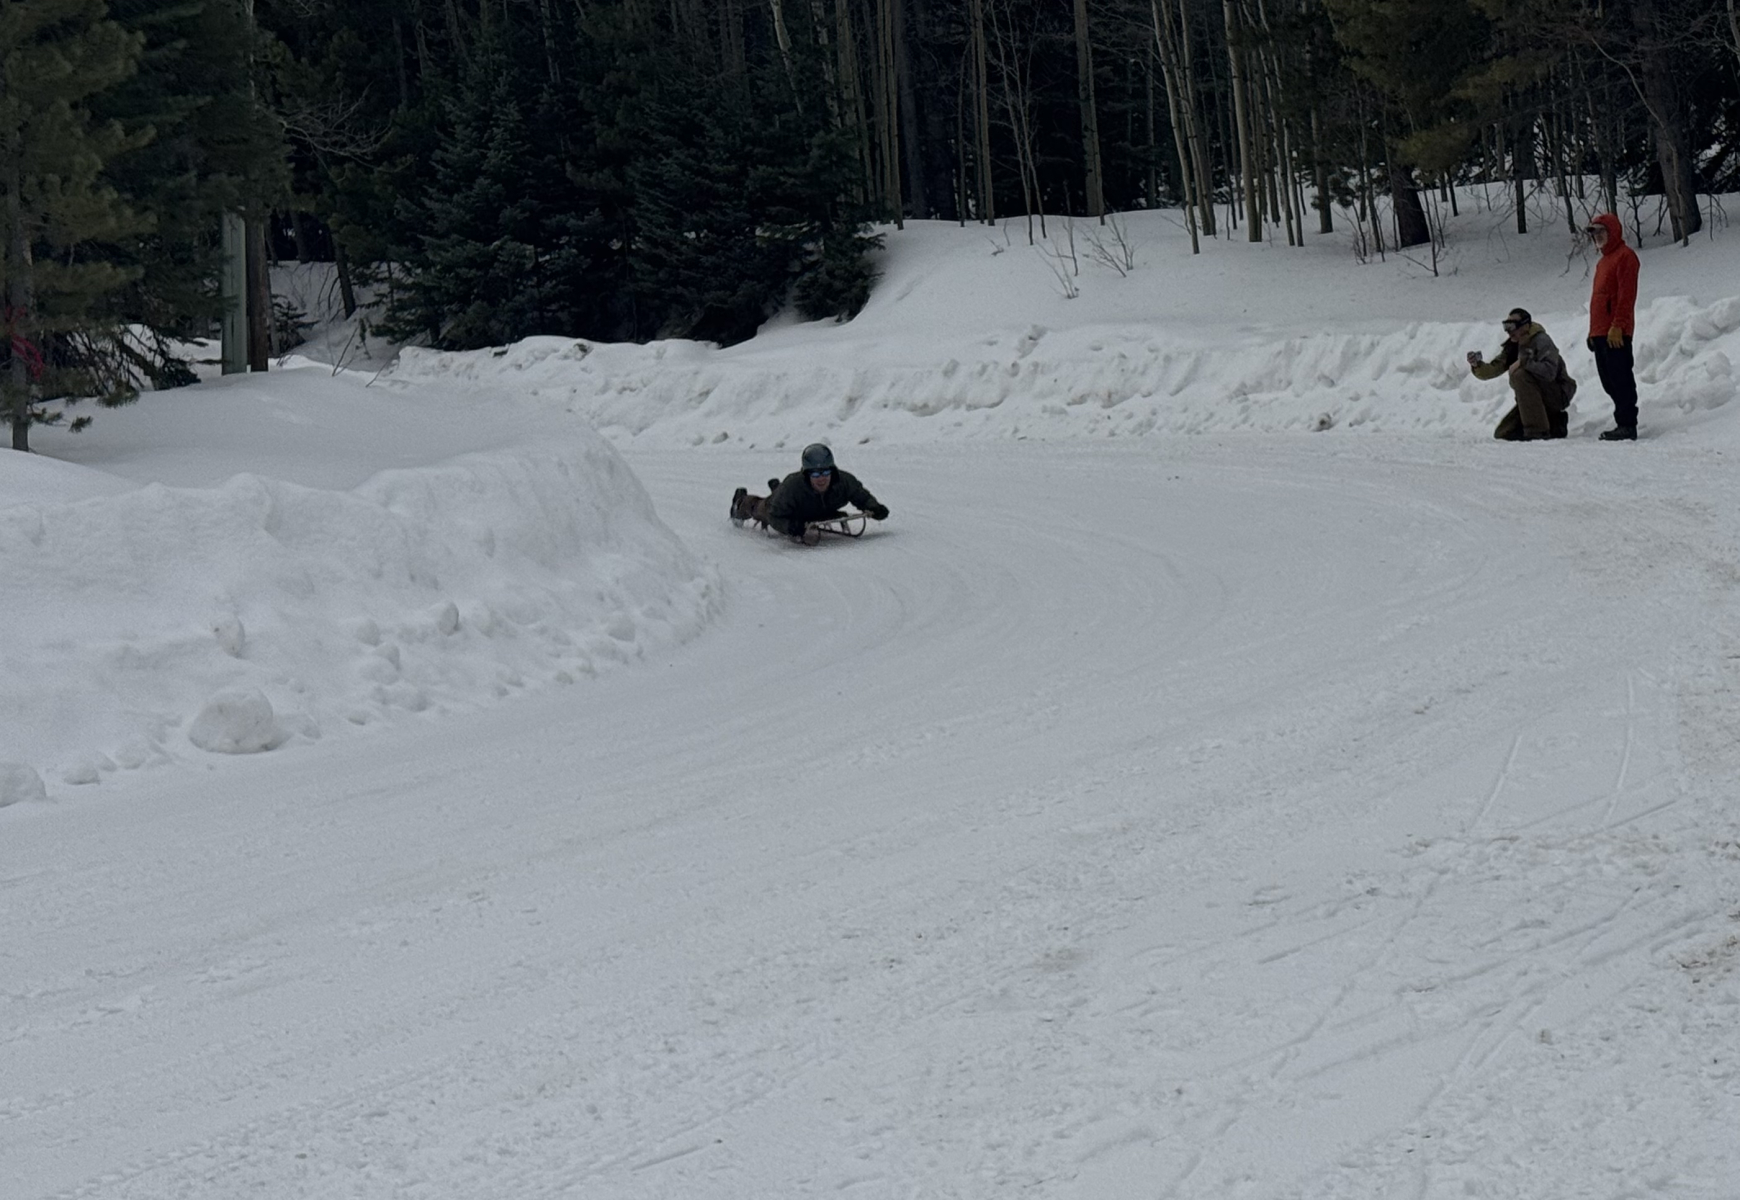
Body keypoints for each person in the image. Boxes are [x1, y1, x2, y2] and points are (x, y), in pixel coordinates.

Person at [1466, 308, 1575, 441]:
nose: (1508, 331)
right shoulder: (1514, 345)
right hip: (1532, 400)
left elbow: (1549, 373)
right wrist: (1477, 365)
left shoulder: (1542, 340)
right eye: (1506, 326)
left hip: (1557, 394)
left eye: (1512, 326)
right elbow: (1493, 369)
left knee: (1520, 375)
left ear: (1525, 325)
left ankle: (1538, 432)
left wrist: (1524, 362)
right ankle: (1553, 424)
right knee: (1503, 434)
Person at [1585, 212, 1640, 441]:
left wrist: (1618, 325)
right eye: (1593, 232)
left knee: (1620, 378)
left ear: (1613, 232)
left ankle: (1627, 424)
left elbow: (1627, 296)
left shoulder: (1625, 256)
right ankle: (1622, 420)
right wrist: (1593, 332)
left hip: (1616, 333)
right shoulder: (1602, 263)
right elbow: (1598, 300)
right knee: (1608, 381)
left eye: (1601, 231)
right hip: (1601, 332)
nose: (1597, 236)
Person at [766, 443, 888, 544]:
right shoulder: (792, 487)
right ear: (807, 475)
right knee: (765, 506)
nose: (821, 479)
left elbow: (862, 497)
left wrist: (875, 508)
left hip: (820, 510)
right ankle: (773, 488)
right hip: (788, 509)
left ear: (832, 472)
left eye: (825, 472)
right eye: (815, 474)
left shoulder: (844, 482)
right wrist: (790, 527)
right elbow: (773, 516)